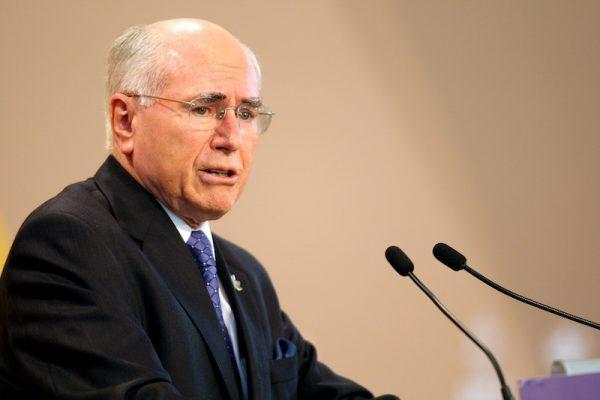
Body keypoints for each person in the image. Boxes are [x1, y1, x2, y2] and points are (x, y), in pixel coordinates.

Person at [0, 19, 398, 400]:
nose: (231, 138)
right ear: (125, 121)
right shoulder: (68, 243)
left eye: (245, 114)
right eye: (204, 109)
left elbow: (316, 392)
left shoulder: (245, 274)